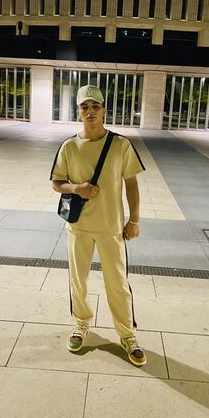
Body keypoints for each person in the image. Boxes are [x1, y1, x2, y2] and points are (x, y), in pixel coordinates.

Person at [50, 84, 147, 367]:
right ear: (78, 112)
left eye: (95, 106)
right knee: (78, 280)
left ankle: (127, 334)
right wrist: (76, 188)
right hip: (78, 226)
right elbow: (56, 182)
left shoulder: (120, 145)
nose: (90, 111)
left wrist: (134, 220)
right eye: (85, 107)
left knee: (117, 283)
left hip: (111, 227)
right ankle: (81, 323)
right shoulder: (69, 146)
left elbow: (131, 183)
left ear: (104, 110)